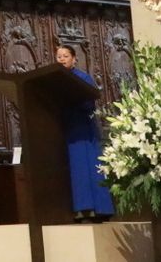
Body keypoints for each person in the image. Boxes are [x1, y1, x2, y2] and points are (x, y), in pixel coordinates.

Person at [55, 44, 114, 222]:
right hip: (67, 127)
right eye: (59, 56)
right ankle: (82, 209)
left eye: (65, 56)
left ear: (74, 59)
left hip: (83, 128)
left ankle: (100, 209)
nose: (62, 59)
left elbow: (90, 103)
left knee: (89, 167)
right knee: (77, 170)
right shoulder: (55, 79)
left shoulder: (82, 78)